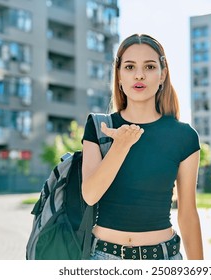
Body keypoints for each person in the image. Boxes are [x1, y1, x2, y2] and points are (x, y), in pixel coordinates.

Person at [82, 34, 203, 260]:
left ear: (162, 75)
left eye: (149, 66)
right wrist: (121, 146)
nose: (139, 75)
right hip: (103, 258)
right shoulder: (99, 127)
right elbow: (90, 195)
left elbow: (187, 215)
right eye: (129, 67)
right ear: (118, 76)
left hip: (163, 259)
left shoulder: (184, 136)